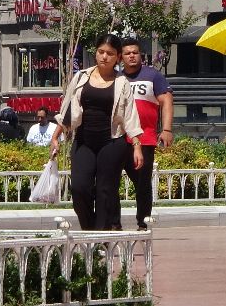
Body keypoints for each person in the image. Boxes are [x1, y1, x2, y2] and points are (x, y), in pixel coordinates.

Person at [50, 34, 144, 231]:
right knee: (79, 189)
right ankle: (89, 230)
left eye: (110, 54)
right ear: (95, 53)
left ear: (118, 57)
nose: (104, 57)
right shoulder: (81, 77)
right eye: (101, 52)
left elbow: (130, 117)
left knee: (105, 191)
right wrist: (55, 136)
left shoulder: (122, 82)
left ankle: (99, 237)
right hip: (84, 141)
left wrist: (136, 146)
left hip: (112, 142)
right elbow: (67, 110)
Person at [119, 37, 175, 231]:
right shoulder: (116, 78)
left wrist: (166, 129)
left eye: (135, 52)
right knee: (108, 183)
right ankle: (112, 223)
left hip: (145, 139)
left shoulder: (153, 76)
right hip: (118, 139)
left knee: (142, 183)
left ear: (141, 55)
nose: (132, 56)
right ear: (121, 57)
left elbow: (167, 101)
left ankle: (143, 222)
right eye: (127, 53)